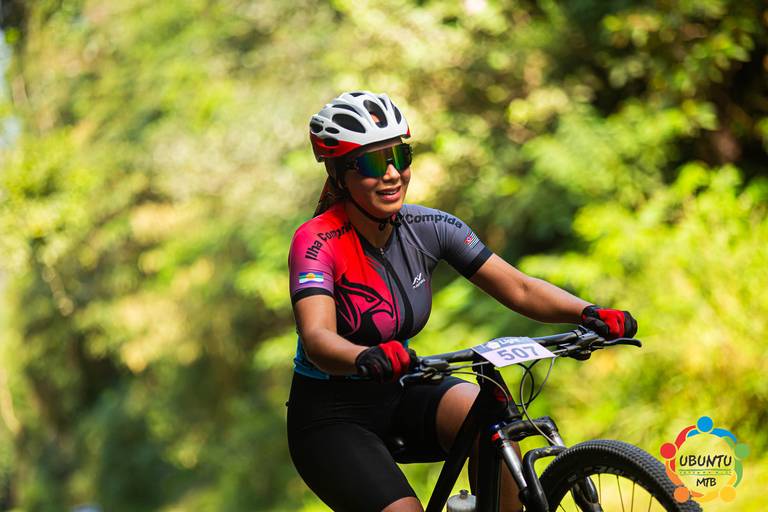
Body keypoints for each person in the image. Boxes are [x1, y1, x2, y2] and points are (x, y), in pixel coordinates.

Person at [286, 91, 638, 512]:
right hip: (331, 417)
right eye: (373, 164)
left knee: (491, 421)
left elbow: (520, 288)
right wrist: (364, 356)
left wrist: (588, 312)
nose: (392, 174)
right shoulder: (317, 241)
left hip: (399, 390)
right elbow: (318, 338)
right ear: (340, 175)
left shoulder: (429, 226)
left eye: (400, 156)